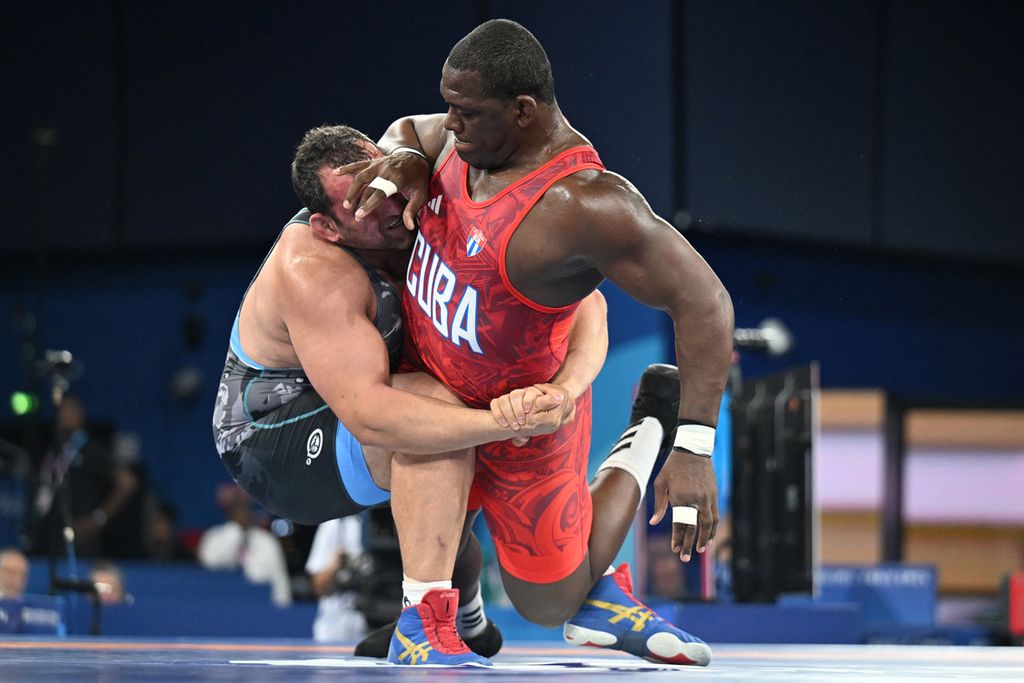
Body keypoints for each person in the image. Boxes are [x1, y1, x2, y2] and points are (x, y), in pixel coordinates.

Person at [336, 19, 734, 666]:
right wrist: (405, 160)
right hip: (440, 398)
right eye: (449, 107)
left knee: (550, 604)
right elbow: (406, 132)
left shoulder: (585, 204)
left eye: (466, 113)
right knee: (410, 481)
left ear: (522, 111)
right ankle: (439, 617)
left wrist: (693, 443)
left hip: (529, 420)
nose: (451, 124)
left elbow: (704, 300)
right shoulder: (454, 142)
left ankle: (648, 431)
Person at [212, 124, 608, 665]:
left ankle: (462, 612)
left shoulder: (419, 194)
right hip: (270, 438)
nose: (388, 206)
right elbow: (374, 417)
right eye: (362, 208)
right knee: (435, 407)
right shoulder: (314, 270)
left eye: (382, 184)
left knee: (482, 366)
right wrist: (505, 422)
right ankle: (422, 621)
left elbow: (584, 301)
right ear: (328, 228)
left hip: (368, 398)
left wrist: (565, 390)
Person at [198, 483, 292, 607]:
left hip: (261, 606)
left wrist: (282, 608)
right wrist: (237, 532)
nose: (243, 512)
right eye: (237, 507)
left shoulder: (266, 541)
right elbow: (209, 563)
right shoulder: (214, 537)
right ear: (228, 510)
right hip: (222, 604)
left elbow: (280, 579)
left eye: (245, 506)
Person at [305, 516, 367, 642]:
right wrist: (336, 566)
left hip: (375, 629)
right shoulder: (336, 523)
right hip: (335, 630)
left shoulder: (384, 522)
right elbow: (318, 586)